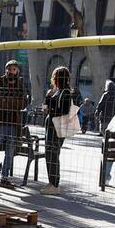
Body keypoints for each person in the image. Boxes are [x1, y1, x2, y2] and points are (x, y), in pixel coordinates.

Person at [0, 59, 28, 189]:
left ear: (18, 70)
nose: (11, 71)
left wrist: (8, 101)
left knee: (9, 153)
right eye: (9, 69)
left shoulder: (21, 84)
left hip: (14, 123)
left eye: (14, 69)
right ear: (6, 70)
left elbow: (23, 103)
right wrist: (13, 101)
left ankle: (4, 178)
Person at [42, 65, 73, 194]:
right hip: (53, 125)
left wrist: (50, 107)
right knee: (50, 153)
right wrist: (48, 99)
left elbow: (63, 111)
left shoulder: (64, 93)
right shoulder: (57, 92)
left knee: (53, 153)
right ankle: (52, 182)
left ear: (56, 78)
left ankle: (55, 184)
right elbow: (47, 108)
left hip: (56, 126)